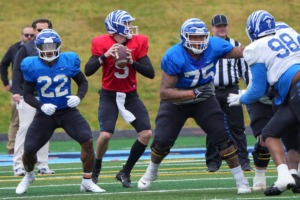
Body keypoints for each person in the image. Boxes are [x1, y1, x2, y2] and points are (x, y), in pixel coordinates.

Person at [137, 18, 251, 194]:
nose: (198, 41)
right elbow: (165, 92)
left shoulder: (215, 45)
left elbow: (241, 52)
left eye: (201, 37)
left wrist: (261, 49)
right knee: (162, 141)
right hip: (177, 102)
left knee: (223, 137)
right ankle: (152, 170)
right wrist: (192, 93)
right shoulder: (174, 55)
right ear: (184, 37)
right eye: (194, 37)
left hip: (203, 100)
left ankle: (241, 181)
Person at [15, 29, 106, 194]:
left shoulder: (68, 60)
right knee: (29, 150)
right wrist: (41, 105)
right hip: (45, 114)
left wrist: (78, 97)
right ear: (38, 47)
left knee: (87, 140)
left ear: (59, 46)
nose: (49, 49)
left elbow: (83, 83)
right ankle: (29, 175)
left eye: (52, 45)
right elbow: (27, 94)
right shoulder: (31, 65)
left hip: (68, 111)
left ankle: (87, 180)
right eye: (45, 46)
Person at [227, 10, 300, 195]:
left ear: (251, 30)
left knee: (271, 134)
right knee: (276, 134)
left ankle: (287, 175)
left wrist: (241, 97)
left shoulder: (255, 47)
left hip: (296, 88)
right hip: (291, 94)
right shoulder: (289, 33)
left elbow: (258, 89)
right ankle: (291, 175)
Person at [85, 10, 155, 188]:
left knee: (146, 134)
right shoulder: (101, 43)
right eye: (127, 24)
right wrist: (105, 56)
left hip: (130, 95)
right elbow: (88, 70)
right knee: (105, 135)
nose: (130, 27)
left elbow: (150, 73)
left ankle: (125, 171)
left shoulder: (138, 42)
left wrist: (133, 62)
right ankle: (96, 167)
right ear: (115, 27)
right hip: (109, 94)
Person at [205, 14, 252, 172]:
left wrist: (250, 89)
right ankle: (213, 162)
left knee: (237, 127)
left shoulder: (235, 45)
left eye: (224, 25)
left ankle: (243, 161)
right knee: (212, 126)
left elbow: (244, 70)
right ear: (212, 28)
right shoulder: (205, 45)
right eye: (218, 26)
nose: (222, 28)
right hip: (211, 90)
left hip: (231, 89)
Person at [11, 18, 55, 176]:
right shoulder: (26, 48)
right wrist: (16, 91)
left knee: (46, 129)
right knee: (25, 128)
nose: (42, 33)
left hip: (47, 95)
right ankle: (18, 165)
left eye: (45, 30)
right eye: (39, 30)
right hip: (28, 95)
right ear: (34, 31)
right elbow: (16, 70)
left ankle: (43, 164)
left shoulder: (55, 46)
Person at [0, 26, 35, 155]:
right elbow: (4, 64)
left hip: (34, 89)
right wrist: (6, 83)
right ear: (22, 35)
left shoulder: (38, 48)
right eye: (27, 35)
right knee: (16, 118)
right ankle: (12, 146)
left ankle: (37, 145)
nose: (29, 38)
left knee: (38, 119)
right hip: (18, 89)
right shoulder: (15, 48)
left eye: (32, 35)